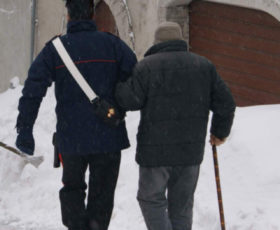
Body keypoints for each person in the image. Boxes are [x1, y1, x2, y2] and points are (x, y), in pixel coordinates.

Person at [15, 0, 137, 229]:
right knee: (102, 196)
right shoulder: (113, 46)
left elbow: (33, 89)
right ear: (92, 14)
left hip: (72, 139)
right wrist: (119, 105)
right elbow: (135, 81)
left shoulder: (56, 49)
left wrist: (25, 129)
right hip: (108, 137)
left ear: (68, 14)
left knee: (72, 191)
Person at [115, 21, 236, 230]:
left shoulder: (147, 67)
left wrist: (118, 86)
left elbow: (130, 100)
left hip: (155, 153)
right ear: (181, 41)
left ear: (157, 42)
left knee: (150, 199)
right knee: (181, 207)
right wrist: (219, 132)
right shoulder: (203, 65)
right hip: (190, 152)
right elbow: (226, 103)